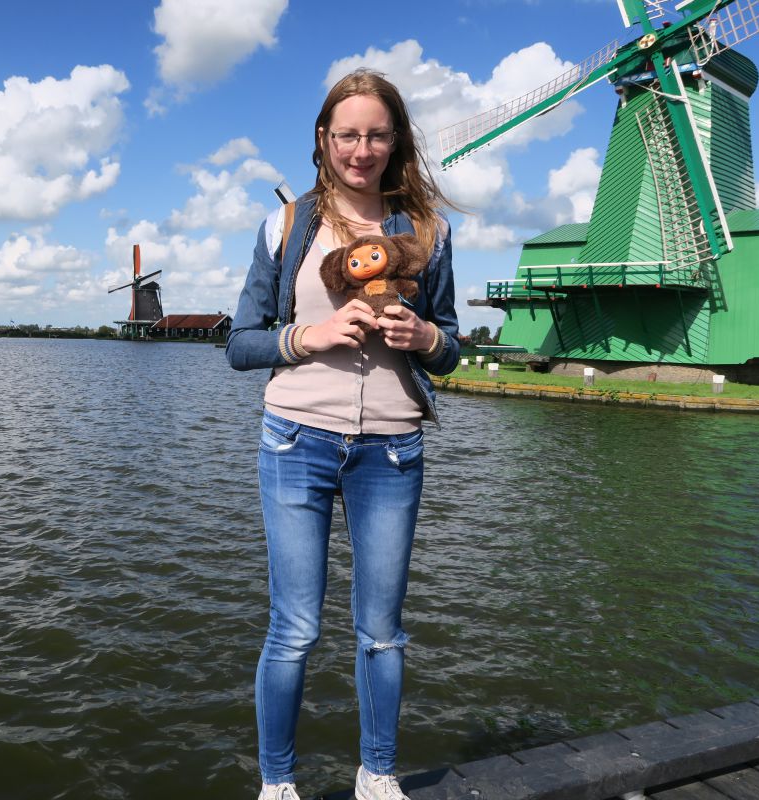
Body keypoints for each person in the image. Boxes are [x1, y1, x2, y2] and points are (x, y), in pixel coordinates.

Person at [225, 69, 460, 800]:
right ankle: (277, 784)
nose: (362, 148)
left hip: (392, 451)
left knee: (383, 632)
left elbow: (451, 350)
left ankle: (377, 773)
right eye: (347, 133)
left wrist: (422, 335)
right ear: (324, 140)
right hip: (295, 443)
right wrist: (312, 334)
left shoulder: (429, 233)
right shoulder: (287, 227)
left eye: (377, 134)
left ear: (397, 143)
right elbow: (239, 343)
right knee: (294, 629)